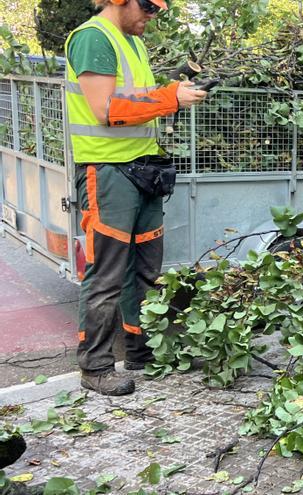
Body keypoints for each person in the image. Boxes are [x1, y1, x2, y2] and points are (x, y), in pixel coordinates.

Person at [66, 0, 207, 395]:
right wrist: (171, 100)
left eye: (159, 8)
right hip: (107, 172)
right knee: (107, 273)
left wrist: (174, 91)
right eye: (147, 6)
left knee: (146, 270)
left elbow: (140, 100)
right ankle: (95, 367)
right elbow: (105, 109)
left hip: (141, 169)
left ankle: (142, 352)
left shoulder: (134, 42)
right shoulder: (94, 38)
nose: (153, 14)